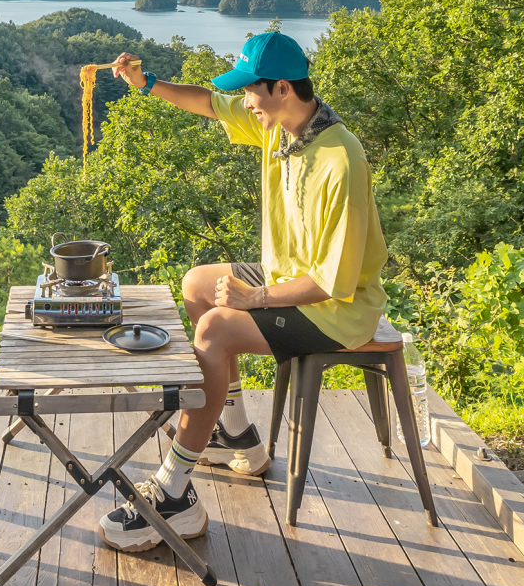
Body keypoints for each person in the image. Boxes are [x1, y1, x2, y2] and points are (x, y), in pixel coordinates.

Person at [97, 30, 388, 553]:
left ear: (280, 87)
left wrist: (255, 300)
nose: (246, 102)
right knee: (197, 285)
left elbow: (332, 282)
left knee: (214, 329)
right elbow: (208, 101)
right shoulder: (281, 125)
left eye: (251, 91)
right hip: (286, 278)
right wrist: (147, 83)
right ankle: (235, 434)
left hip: (336, 308)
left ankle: (172, 493)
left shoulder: (339, 161)